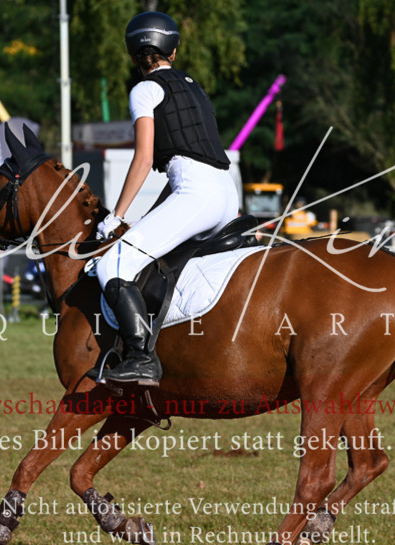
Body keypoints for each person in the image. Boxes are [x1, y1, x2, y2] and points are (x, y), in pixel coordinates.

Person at [93, 11, 239, 385]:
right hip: (226, 194)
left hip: (196, 195)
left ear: (133, 54)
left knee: (112, 266)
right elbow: (186, 165)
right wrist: (146, 220)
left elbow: (143, 158)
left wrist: (117, 215)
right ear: (172, 51)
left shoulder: (144, 90)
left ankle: (141, 358)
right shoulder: (195, 88)